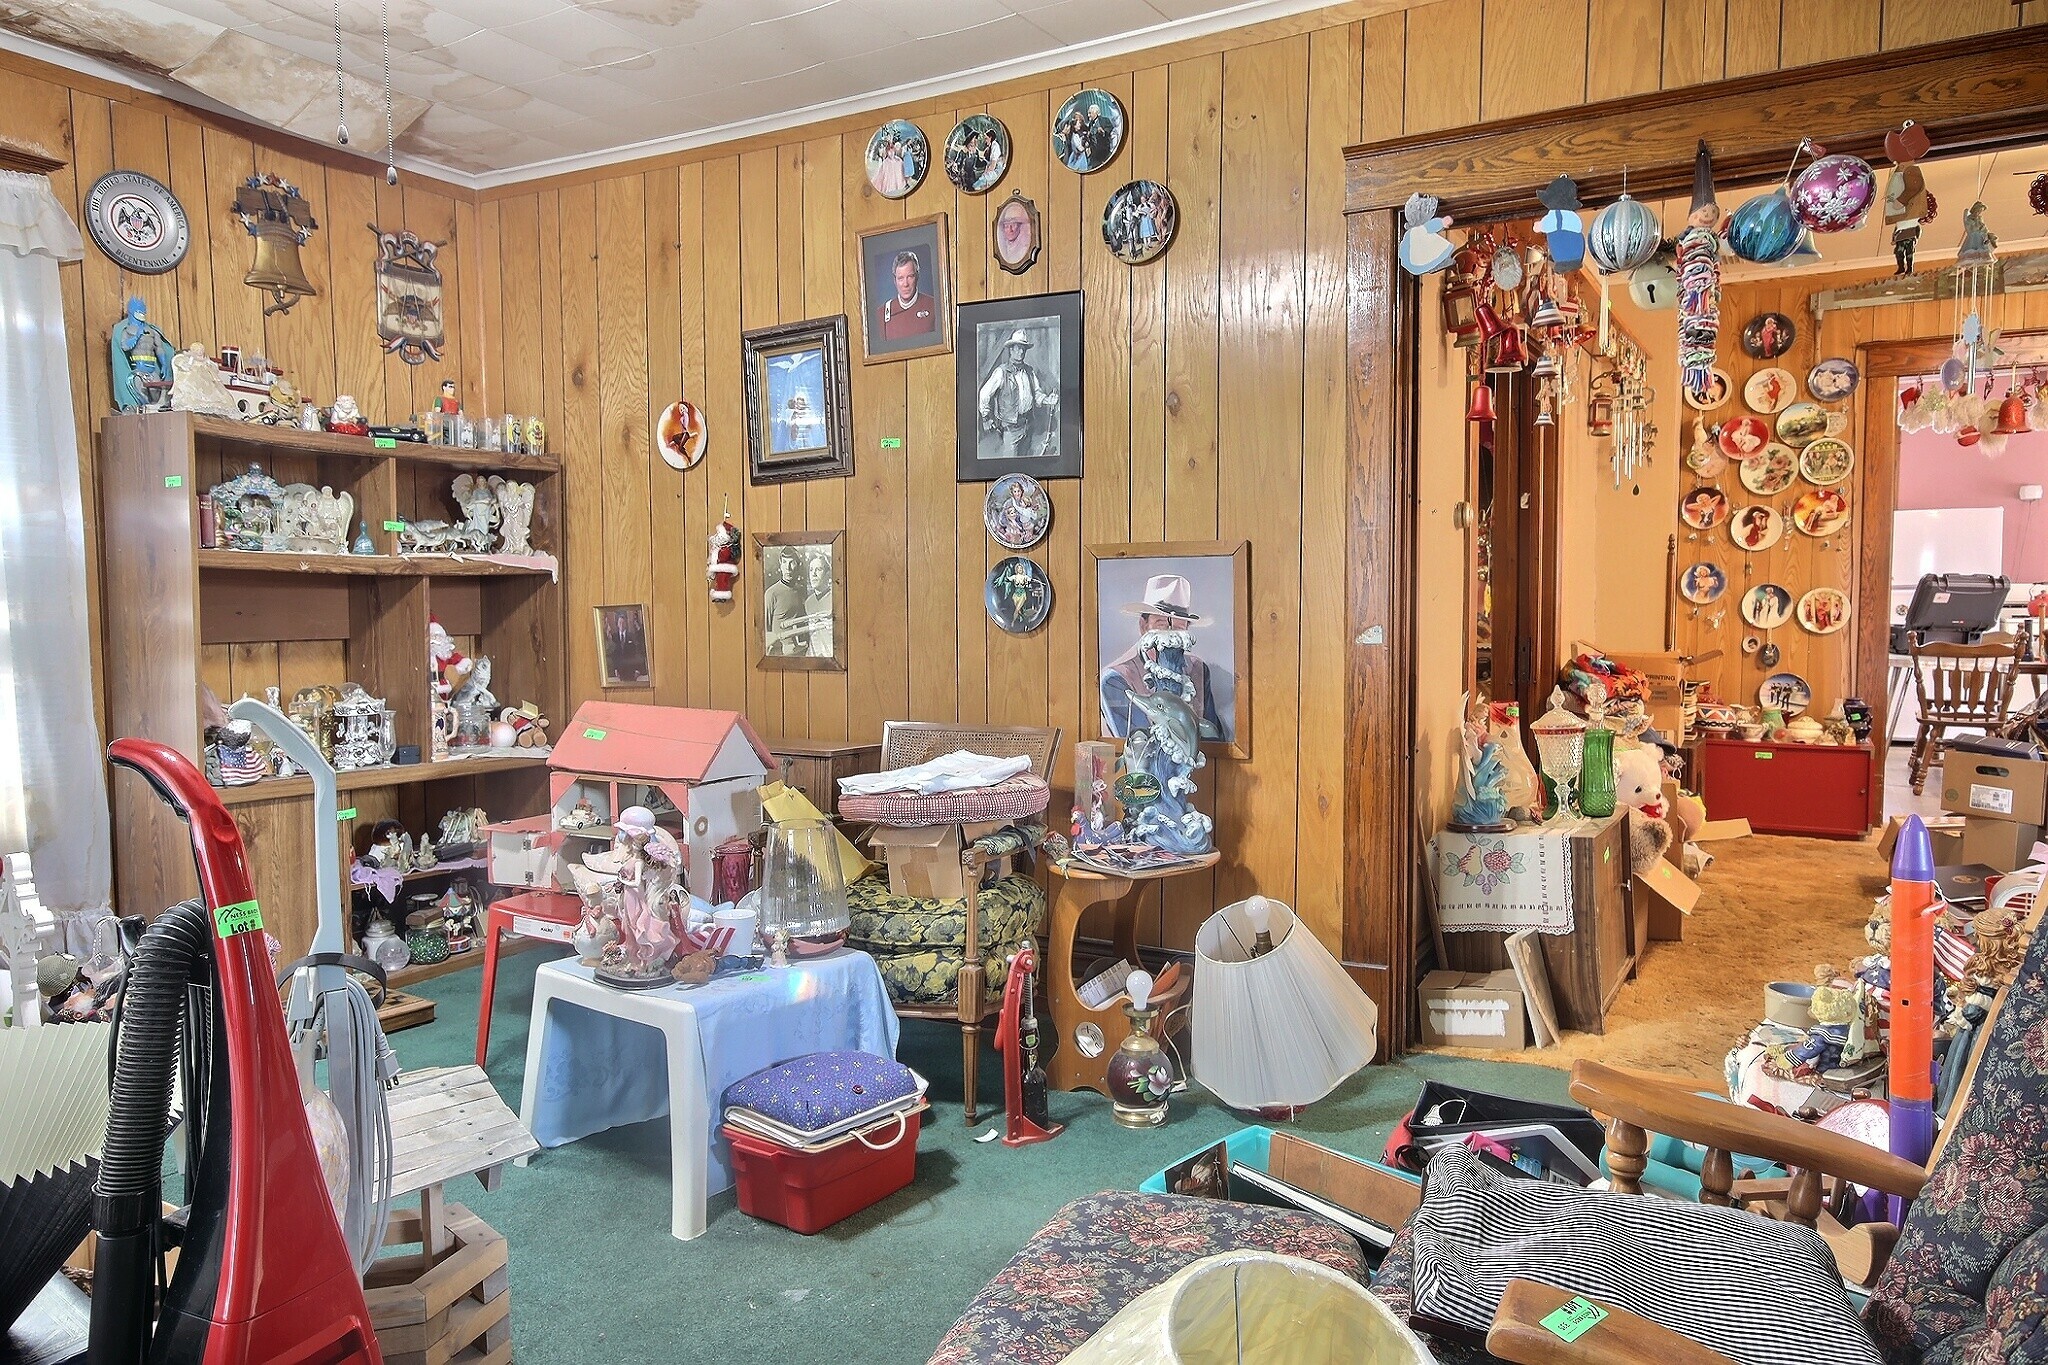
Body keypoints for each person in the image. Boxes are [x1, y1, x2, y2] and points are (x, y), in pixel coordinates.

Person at [1099, 574, 1228, 742]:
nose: (1170, 636)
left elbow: (1213, 739)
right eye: (1161, 625)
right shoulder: (1116, 679)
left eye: (1178, 627)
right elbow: (1141, 745)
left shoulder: (1198, 669)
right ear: (1143, 626)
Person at [977, 330, 1059, 459]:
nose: (1021, 352)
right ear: (1011, 350)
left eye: (1023, 349)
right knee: (1010, 463)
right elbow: (984, 394)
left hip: (1028, 424)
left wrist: (1047, 399)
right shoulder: (1001, 372)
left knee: (1026, 460)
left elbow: (1037, 393)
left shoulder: (1029, 371)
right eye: (1018, 348)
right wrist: (986, 417)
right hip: (1010, 428)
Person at [877, 249, 937, 342]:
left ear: (917, 276)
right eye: (901, 278)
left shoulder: (934, 306)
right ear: (895, 281)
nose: (905, 284)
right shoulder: (882, 313)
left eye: (910, 276)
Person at [763, 549, 807, 655]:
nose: (788, 567)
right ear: (780, 565)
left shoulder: (801, 590)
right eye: (784, 562)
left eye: (792, 562)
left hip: (802, 652)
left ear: (798, 565)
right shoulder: (771, 593)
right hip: (781, 655)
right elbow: (764, 632)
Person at [803, 553, 834, 658]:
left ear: (828, 574)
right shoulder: (808, 602)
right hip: (814, 656)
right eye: (811, 570)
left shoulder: (835, 598)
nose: (813, 574)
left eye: (819, 569)